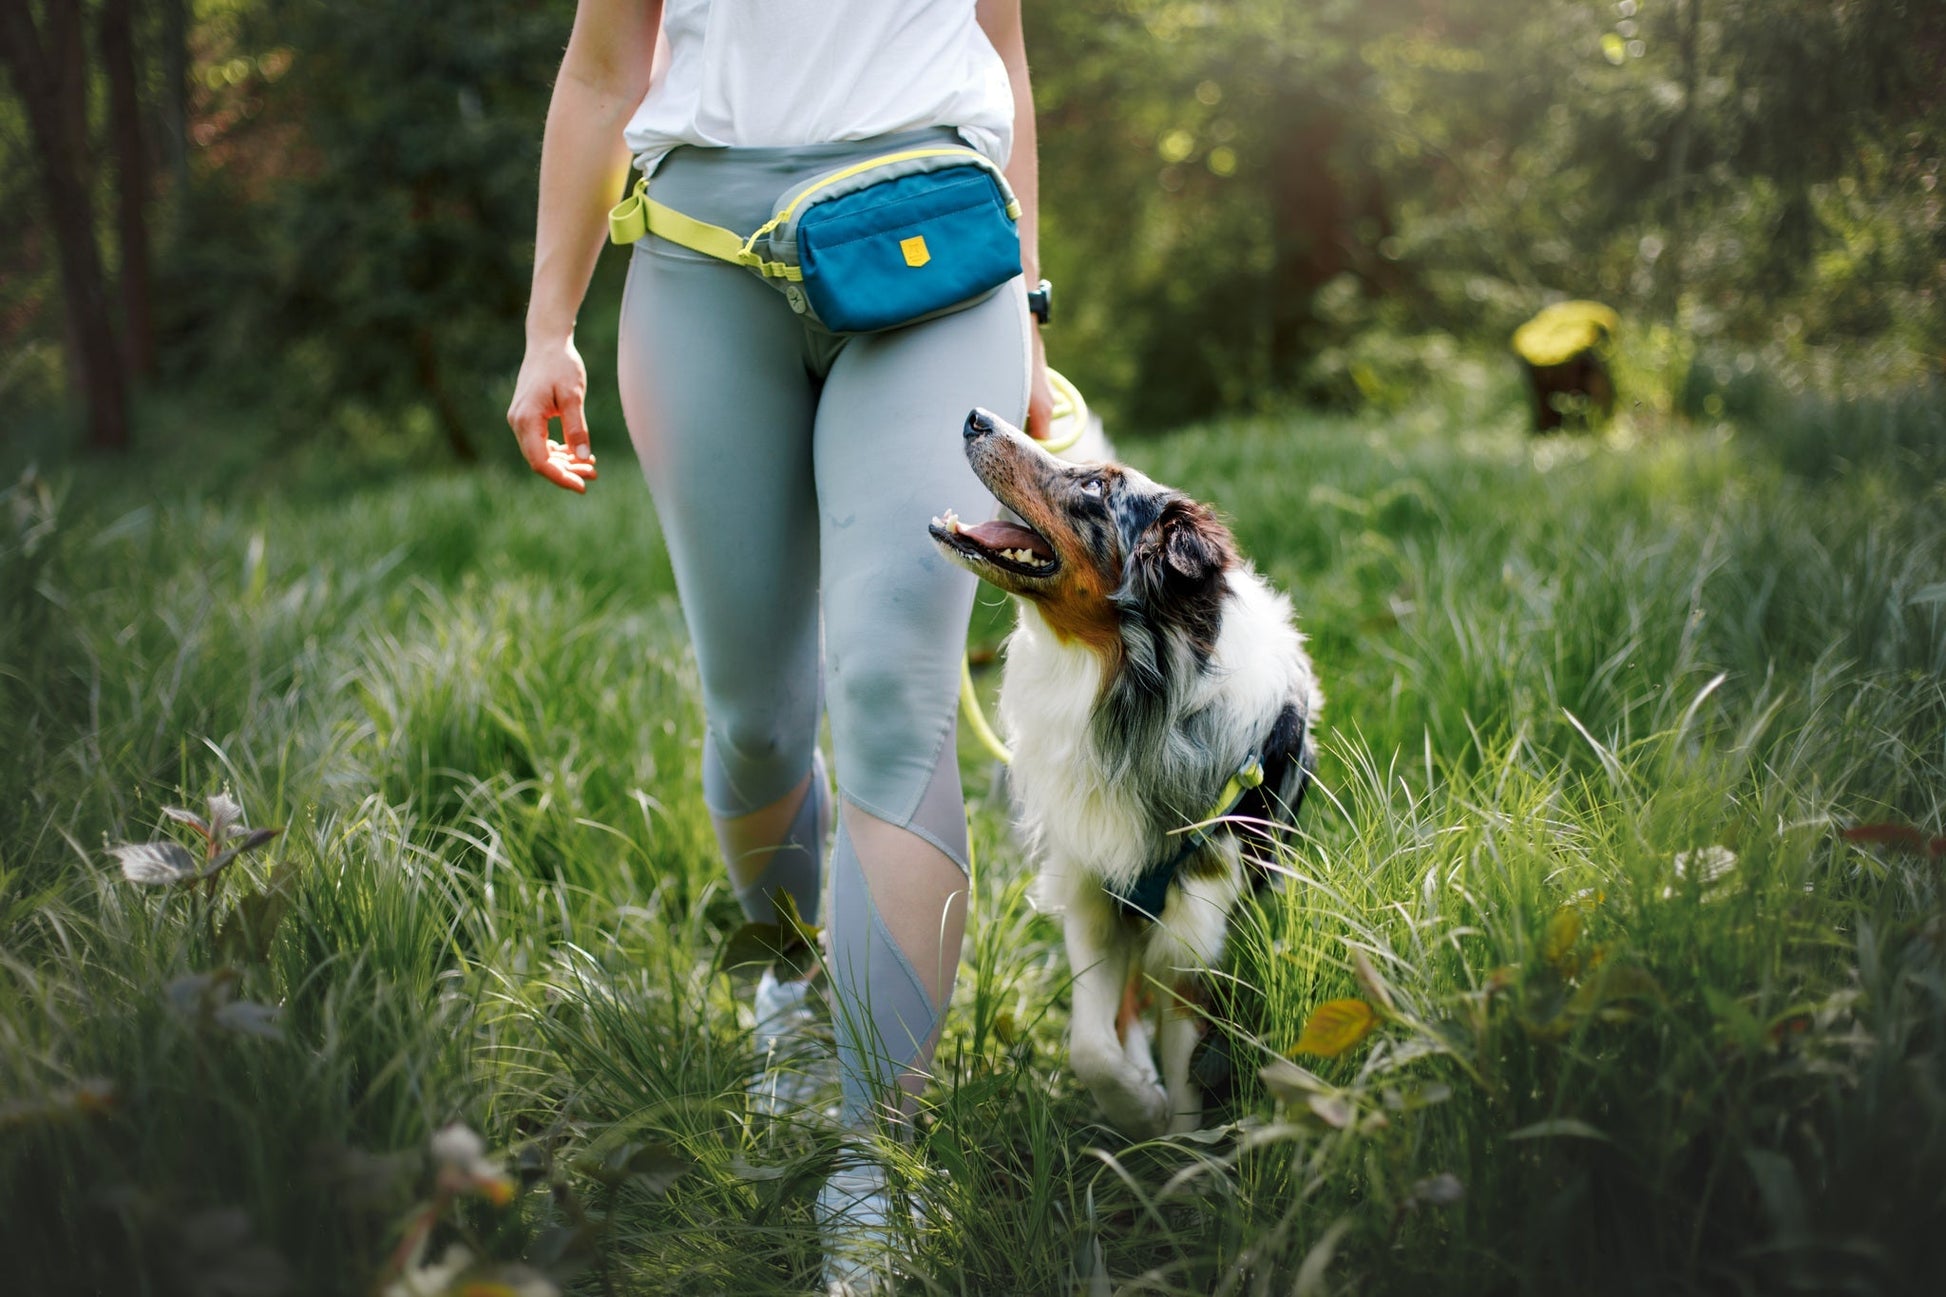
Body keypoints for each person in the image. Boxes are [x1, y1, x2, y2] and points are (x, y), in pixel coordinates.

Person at [507, 2, 1050, 1287]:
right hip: (703, 264)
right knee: (757, 708)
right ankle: (791, 989)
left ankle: (876, 1168)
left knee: (889, 692)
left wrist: (1028, 299)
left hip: (935, 249)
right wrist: (546, 327)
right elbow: (599, 71)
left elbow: (1006, 52)